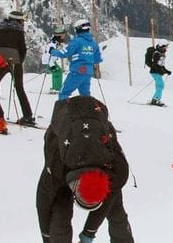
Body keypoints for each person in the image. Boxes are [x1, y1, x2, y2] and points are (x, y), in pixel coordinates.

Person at [36, 96, 134, 243]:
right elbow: (43, 202)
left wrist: (89, 233)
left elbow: (108, 201)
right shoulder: (56, 165)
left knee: (115, 207)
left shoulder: (117, 169)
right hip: (62, 129)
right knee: (60, 205)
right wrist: (46, 237)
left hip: (98, 126)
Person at [0, 11, 36, 126]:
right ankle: (28, 116)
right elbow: (23, 49)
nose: (23, 22)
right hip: (15, 62)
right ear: (18, 20)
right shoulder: (19, 32)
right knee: (19, 88)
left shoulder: (0, 29)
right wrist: (19, 61)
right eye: (22, 20)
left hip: (1, 61)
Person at [53, 20, 103, 101]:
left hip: (77, 71)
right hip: (88, 73)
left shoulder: (77, 41)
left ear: (78, 29)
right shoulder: (94, 43)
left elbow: (65, 53)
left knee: (64, 93)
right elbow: (97, 59)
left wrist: (53, 51)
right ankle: (87, 112)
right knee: (85, 96)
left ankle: (64, 112)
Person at [42, 27, 69, 94]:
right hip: (49, 61)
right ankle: (56, 88)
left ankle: (56, 87)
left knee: (57, 71)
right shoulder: (53, 44)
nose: (64, 36)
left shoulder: (56, 42)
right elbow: (49, 56)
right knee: (57, 71)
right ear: (59, 35)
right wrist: (52, 65)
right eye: (63, 35)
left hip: (50, 61)